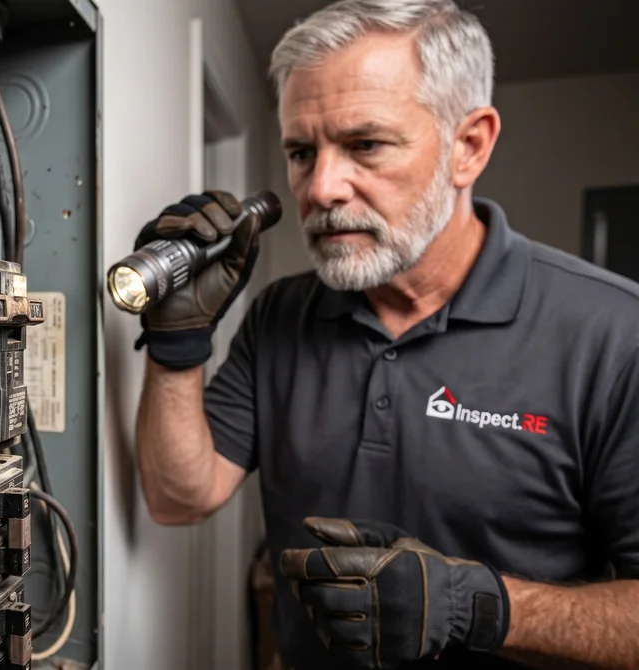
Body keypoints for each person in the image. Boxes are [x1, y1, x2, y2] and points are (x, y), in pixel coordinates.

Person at [131, 1, 639, 668]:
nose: (322, 187)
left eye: (365, 145)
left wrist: (480, 605)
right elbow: (179, 499)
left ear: (469, 146)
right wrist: (176, 344)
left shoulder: (614, 333)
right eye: (301, 152)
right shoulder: (281, 315)